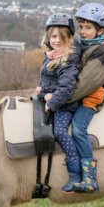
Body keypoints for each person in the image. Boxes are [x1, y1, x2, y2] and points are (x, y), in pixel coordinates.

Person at [69, 3, 104, 193]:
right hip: (83, 95)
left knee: (77, 129)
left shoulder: (102, 53)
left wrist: (58, 98)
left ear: (99, 30)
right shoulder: (84, 48)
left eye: (88, 27)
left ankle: (90, 177)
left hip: (91, 98)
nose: (82, 32)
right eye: (81, 27)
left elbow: (82, 86)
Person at [35, 13, 82, 194]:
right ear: (48, 37)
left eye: (62, 38)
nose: (57, 41)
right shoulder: (50, 55)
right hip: (51, 98)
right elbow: (46, 80)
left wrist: (51, 102)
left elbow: (66, 87)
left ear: (69, 39)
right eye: (54, 36)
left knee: (60, 131)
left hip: (64, 104)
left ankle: (75, 173)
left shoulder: (68, 59)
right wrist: (42, 91)